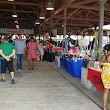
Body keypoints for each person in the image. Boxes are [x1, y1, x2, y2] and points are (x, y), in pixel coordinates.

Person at [99, 44, 110, 110]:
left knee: (106, 92)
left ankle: (105, 108)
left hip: (105, 75)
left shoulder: (103, 56)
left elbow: (100, 66)